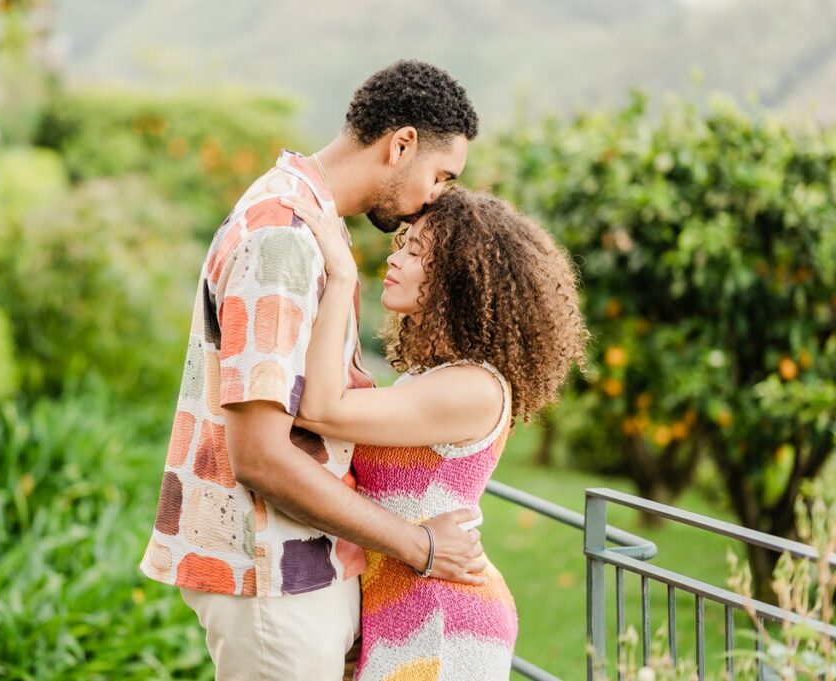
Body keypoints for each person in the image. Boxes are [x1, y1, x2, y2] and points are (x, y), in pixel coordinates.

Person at [139, 60, 485, 680]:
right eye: (439, 176)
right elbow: (260, 456)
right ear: (400, 143)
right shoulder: (285, 238)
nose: (435, 198)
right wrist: (420, 546)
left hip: (295, 569)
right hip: (270, 575)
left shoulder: (313, 224)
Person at [283, 186, 589, 680]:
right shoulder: (435, 376)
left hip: (445, 624)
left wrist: (341, 278)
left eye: (418, 252)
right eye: (404, 243)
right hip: (407, 608)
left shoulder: (475, 387)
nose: (397, 258)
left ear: (459, 281)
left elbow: (318, 409)